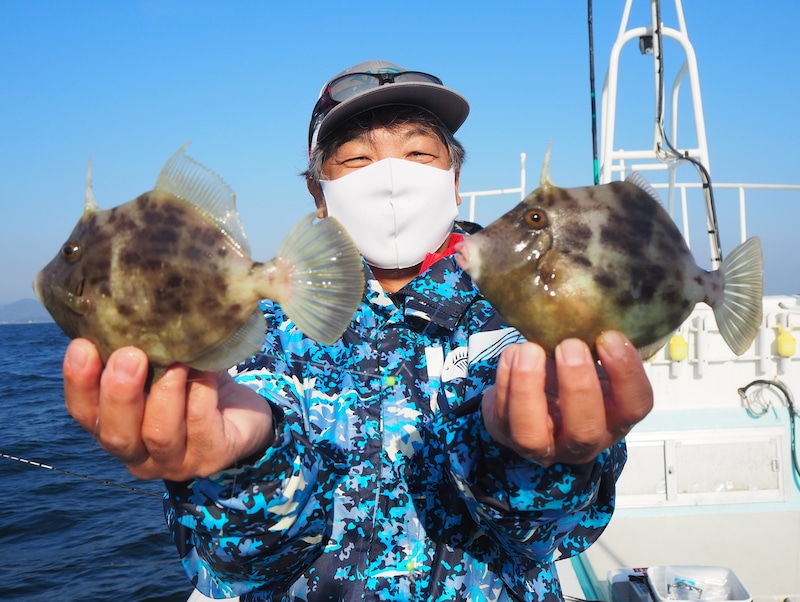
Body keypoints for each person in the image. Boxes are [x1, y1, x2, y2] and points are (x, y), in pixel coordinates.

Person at [63, 60, 653, 601]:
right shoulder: (253, 322)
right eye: (356, 159)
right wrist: (244, 463)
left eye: (421, 155)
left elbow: (553, 539)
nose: (392, 177)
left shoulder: (529, 302)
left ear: (454, 182)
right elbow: (240, 568)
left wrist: (538, 458)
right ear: (318, 193)